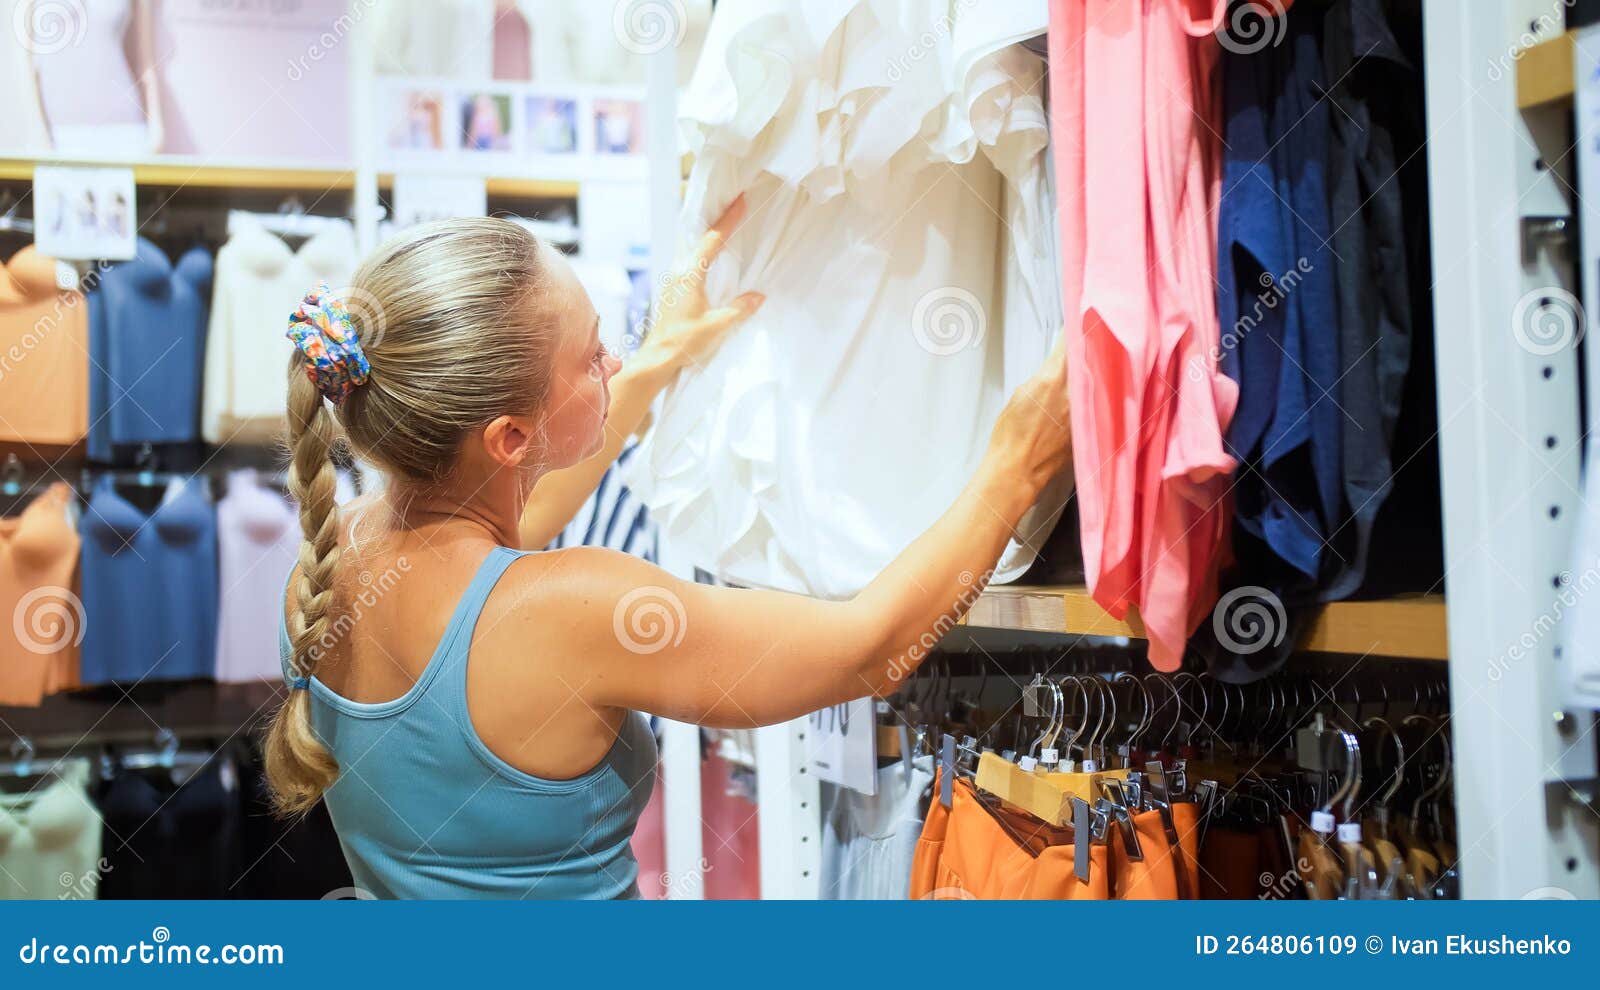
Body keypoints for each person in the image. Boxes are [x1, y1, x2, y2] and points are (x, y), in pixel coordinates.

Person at [266, 196, 1073, 898]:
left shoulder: (333, 557)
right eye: (592, 357)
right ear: (510, 437)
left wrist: (660, 359)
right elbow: (875, 649)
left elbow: (519, 502)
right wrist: (1017, 461)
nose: (613, 360)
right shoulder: (574, 607)